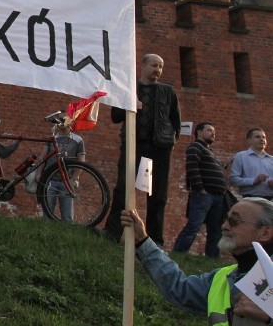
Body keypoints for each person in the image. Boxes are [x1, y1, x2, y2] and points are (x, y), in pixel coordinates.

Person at [121, 198, 273, 325]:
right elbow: (180, 288)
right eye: (226, 219)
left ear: (265, 233)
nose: (224, 226)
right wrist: (142, 240)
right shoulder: (222, 278)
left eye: (234, 220)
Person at [103, 54, 181, 245]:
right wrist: (130, 106)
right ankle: (112, 233)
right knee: (123, 189)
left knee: (158, 195)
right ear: (143, 65)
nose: (158, 70)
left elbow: (175, 121)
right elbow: (115, 116)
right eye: (154, 65)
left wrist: (170, 140)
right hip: (133, 146)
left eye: (161, 67)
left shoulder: (168, 92)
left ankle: (155, 240)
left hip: (160, 148)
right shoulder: (129, 89)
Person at [173, 122, 227, 257]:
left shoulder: (209, 151)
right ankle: (178, 254)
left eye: (214, 131)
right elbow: (192, 167)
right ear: (199, 132)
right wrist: (200, 188)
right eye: (209, 130)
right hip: (204, 194)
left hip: (217, 196)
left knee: (215, 231)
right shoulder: (195, 146)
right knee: (193, 226)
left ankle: (212, 259)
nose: (213, 133)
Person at [38, 121, 86, 222]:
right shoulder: (52, 138)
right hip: (50, 180)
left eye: (65, 120)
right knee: (47, 215)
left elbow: (81, 162)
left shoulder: (78, 140)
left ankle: (67, 235)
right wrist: (39, 174)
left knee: (67, 217)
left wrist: (74, 179)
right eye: (60, 120)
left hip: (67, 181)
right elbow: (43, 158)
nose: (62, 123)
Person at [230, 128, 273, 200]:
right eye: (257, 137)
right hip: (250, 199)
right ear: (249, 140)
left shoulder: (271, 159)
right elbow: (233, 179)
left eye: (264, 137)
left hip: (270, 201)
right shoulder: (241, 156)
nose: (262, 139)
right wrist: (253, 181)